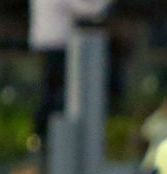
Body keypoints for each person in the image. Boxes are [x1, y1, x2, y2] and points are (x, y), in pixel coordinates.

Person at [29, 0, 113, 142]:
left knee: (51, 91)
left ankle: (42, 135)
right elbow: (87, 10)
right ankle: (49, 135)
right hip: (58, 45)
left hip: (43, 43)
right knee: (59, 94)